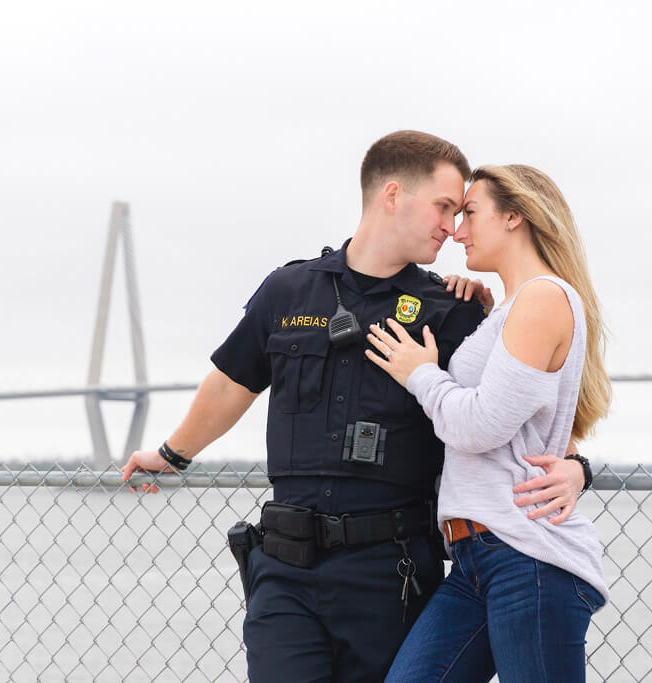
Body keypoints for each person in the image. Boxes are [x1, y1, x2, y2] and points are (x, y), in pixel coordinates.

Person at [119, 132, 590, 683]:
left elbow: (518, 406)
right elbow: (230, 385)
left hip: (390, 572)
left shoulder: (453, 310)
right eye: (444, 207)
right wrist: (173, 454)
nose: (452, 227)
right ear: (393, 195)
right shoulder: (289, 291)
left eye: (462, 212)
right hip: (286, 569)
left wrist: (576, 466)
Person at [365, 164, 611, 682]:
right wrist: (475, 308)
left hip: (529, 559)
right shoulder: (511, 308)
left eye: (470, 214)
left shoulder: (545, 298)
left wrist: (421, 375)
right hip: (477, 559)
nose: (457, 232)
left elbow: (479, 427)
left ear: (515, 217)